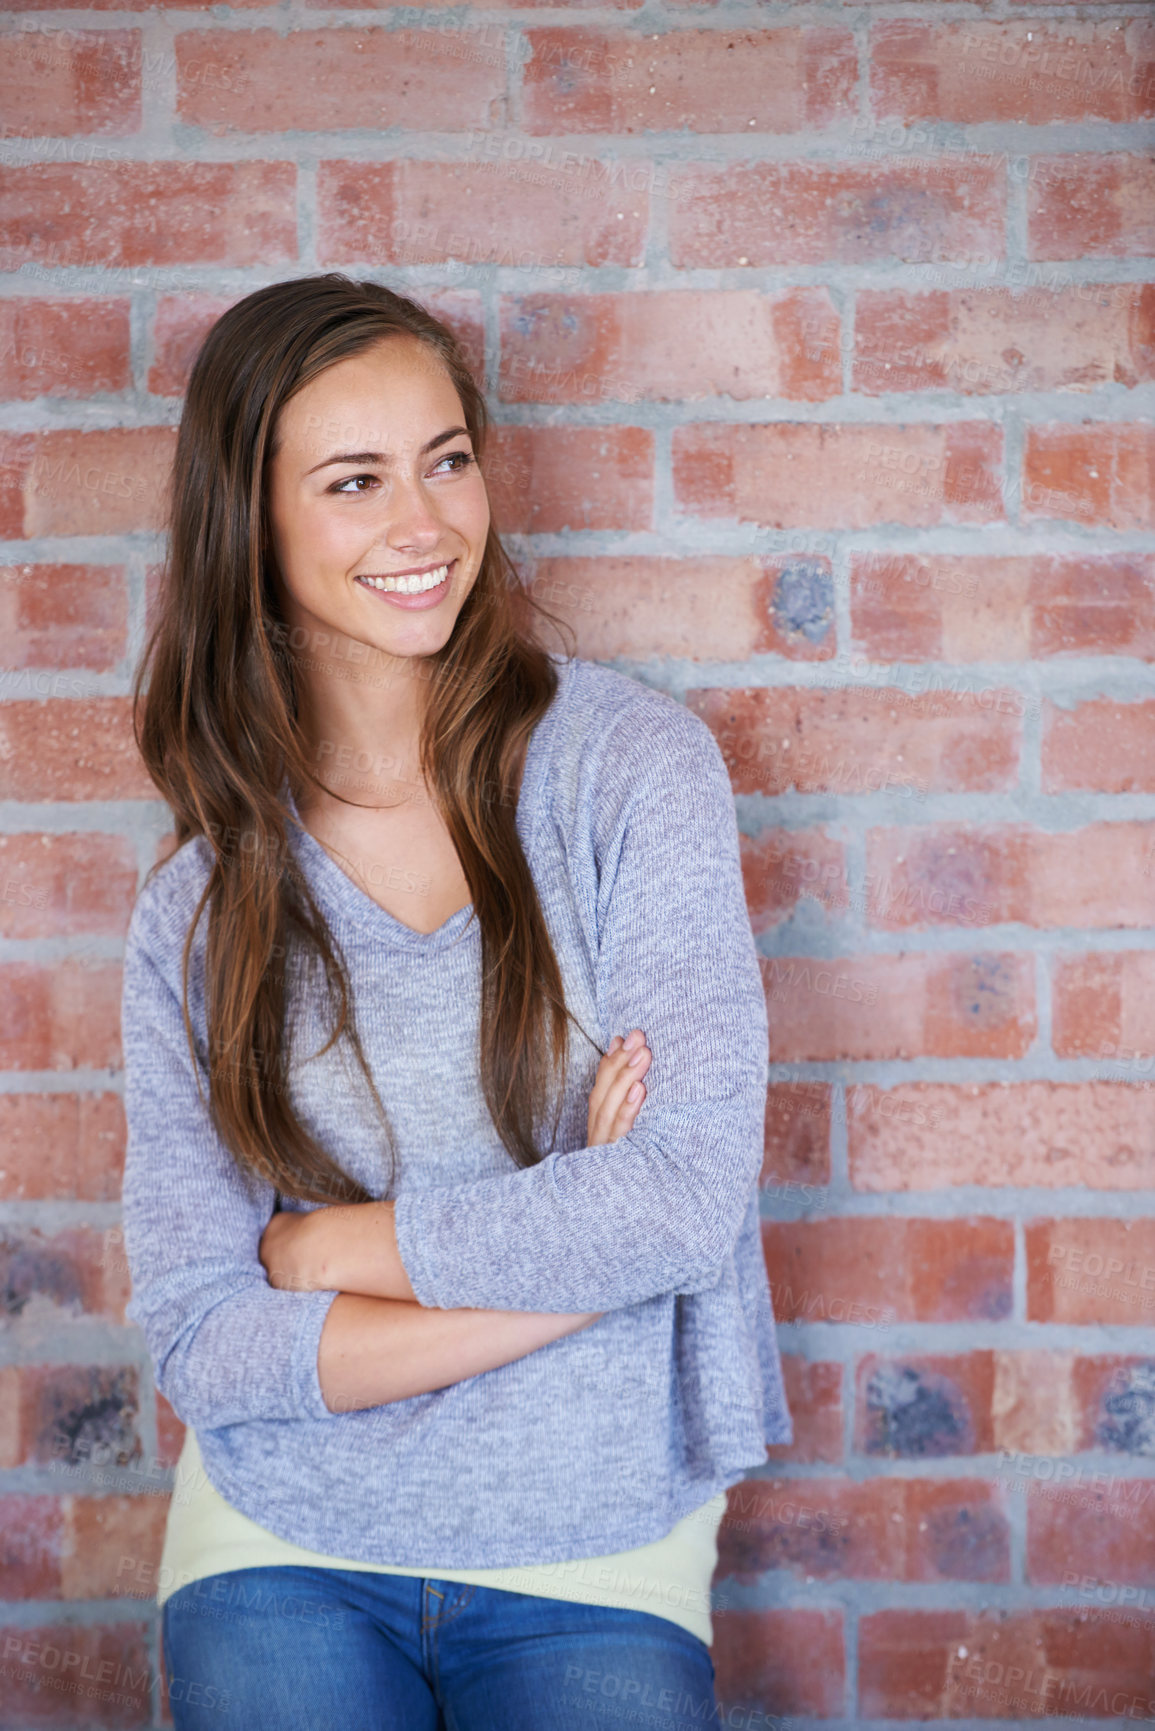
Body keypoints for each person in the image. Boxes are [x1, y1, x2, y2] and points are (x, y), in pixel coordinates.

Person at [120, 273, 792, 1730]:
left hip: (595, 1532)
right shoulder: (200, 907)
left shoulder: (628, 774)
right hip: (280, 1533)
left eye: (447, 460)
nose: (425, 523)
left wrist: (335, 1250)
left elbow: (685, 1198)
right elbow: (204, 1341)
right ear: (253, 519)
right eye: (355, 481)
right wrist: (582, 1270)